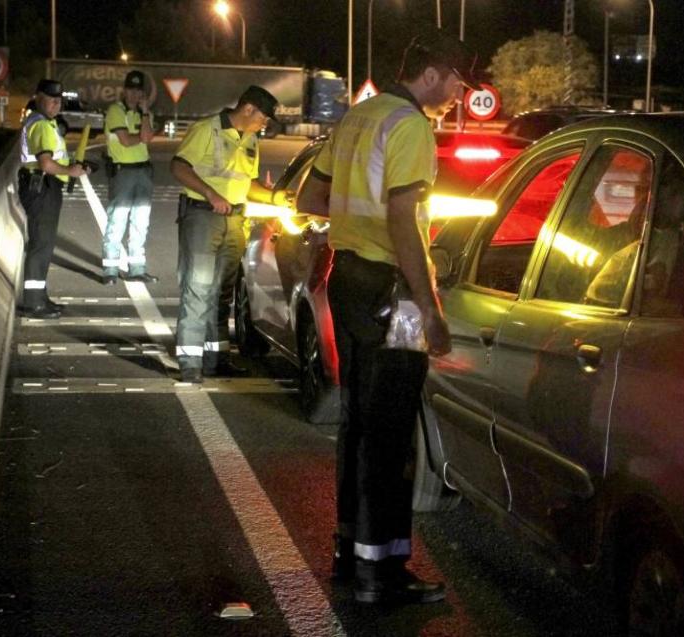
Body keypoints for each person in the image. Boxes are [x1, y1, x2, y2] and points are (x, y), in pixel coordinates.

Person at [296, 29, 479, 604]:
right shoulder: (410, 126)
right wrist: (430, 307)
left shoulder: (359, 116)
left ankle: (350, 555)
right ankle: (383, 575)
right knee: (391, 434)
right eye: (457, 82)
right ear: (434, 73)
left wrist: (353, 226)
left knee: (356, 424)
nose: (458, 95)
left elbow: (310, 197)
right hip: (387, 290)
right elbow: (404, 219)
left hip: (348, 281)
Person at [170, 85, 282, 384]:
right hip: (202, 216)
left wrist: (277, 198)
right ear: (248, 109)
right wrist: (210, 194)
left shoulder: (251, 140)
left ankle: (216, 358)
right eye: (264, 118)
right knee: (198, 287)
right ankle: (189, 362)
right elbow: (179, 167)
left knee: (221, 292)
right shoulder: (207, 129)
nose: (265, 124)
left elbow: (248, 184)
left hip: (234, 222)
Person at [18, 78, 90, 319]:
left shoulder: (47, 124)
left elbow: (53, 160)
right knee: (41, 244)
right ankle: (33, 303)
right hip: (41, 186)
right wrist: (70, 171)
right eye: (51, 99)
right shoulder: (40, 125)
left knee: (44, 243)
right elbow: (46, 163)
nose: (56, 104)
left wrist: (75, 166)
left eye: (59, 100)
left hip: (44, 186)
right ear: (38, 98)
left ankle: (39, 297)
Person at [101, 70, 157, 285]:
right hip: (123, 171)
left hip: (143, 171)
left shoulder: (145, 114)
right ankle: (110, 270)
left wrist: (144, 114)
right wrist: (141, 137)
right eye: (131, 90)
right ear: (124, 91)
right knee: (117, 220)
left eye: (139, 91)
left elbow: (147, 137)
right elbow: (125, 141)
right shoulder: (116, 111)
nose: (134, 95)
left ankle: (137, 269)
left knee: (140, 222)